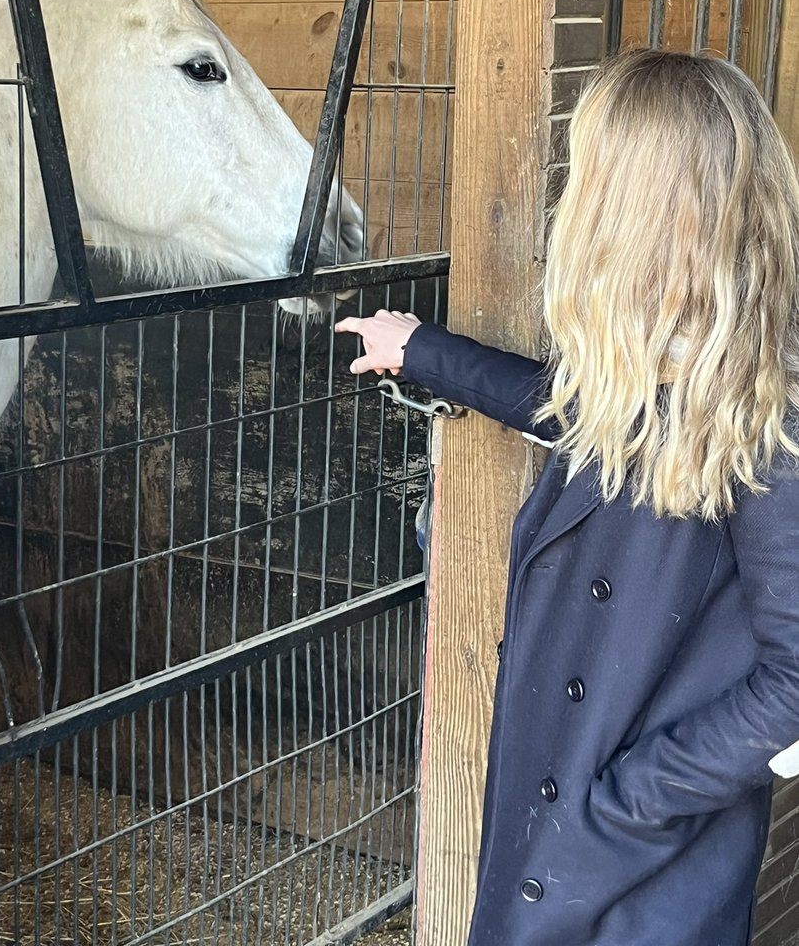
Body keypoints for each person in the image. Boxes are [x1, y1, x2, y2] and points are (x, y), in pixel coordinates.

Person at [335, 49, 799, 946]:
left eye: (589, 174)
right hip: (577, 821)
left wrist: (621, 807)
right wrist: (424, 350)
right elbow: (564, 408)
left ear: (629, 211)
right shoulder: (673, 368)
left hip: (640, 870)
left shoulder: (768, 416)